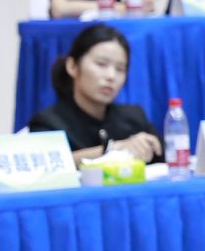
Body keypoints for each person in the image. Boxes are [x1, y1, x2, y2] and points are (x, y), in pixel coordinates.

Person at [27, 25, 158, 163]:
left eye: (120, 69)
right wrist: (114, 149)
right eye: (101, 64)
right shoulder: (48, 123)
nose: (111, 76)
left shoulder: (134, 118)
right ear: (72, 66)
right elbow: (47, 165)